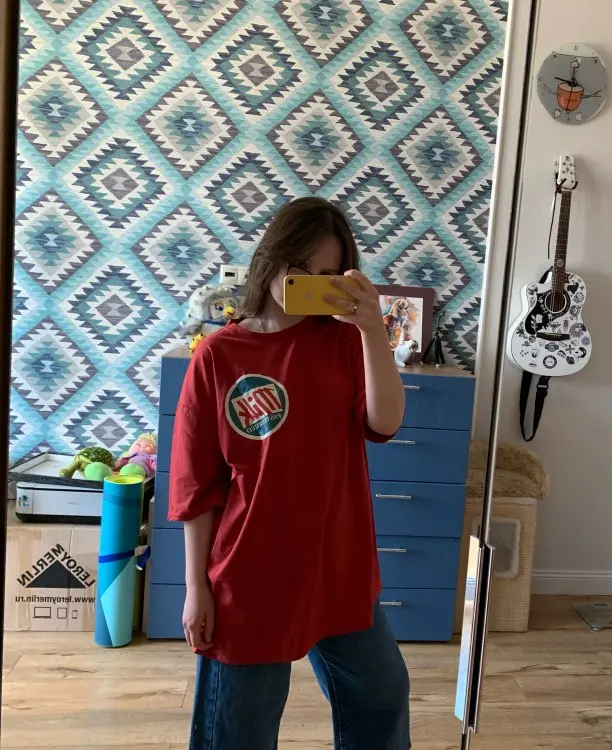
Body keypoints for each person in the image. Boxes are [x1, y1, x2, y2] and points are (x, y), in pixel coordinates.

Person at [168, 196, 411, 750]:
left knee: (381, 697)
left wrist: (374, 331)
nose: (309, 284)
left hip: (337, 567)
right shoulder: (218, 355)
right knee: (241, 732)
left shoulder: (346, 343)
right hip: (251, 576)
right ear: (271, 257)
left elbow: (386, 422)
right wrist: (195, 587)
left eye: (327, 275)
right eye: (300, 267)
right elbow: (196, 486)